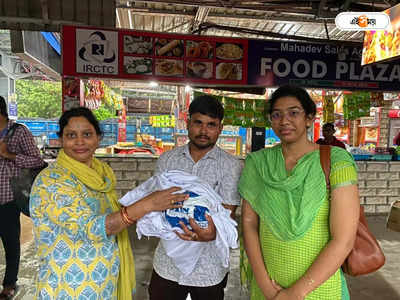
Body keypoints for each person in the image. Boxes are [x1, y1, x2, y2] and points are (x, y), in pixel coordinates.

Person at [30, 107, 188, 300]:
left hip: (104, 282)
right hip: (69, 286)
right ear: (61, 140)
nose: (79, 141)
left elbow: (112, 215)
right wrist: (147, 205)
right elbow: (92, 227)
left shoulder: (101, 173)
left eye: (87, 134)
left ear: (98, 138)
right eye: (71, 135)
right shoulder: (52, 181)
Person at [239, 85, 360, 300]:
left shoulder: (336, 161)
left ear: (309, 118)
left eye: (293, 113)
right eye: (277, 114)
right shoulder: (258, 163)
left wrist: (295, 293)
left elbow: (344, 240)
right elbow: (249, 224)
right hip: (268, 289)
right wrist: (266, 286)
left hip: (321, 289)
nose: (284, 121)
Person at [148, 94, 242, 300]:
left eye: (211, 125)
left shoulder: (231, 165)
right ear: (188, 123)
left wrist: (211, 230)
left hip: (208, 267)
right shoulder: (168, 160)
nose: (203, 130)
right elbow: (157, 203)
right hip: (168, 263)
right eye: (198, 122)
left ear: (220, 128)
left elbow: (226, 213)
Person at [0, 96, 44, 299]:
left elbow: (37, 161)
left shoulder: (18, 132)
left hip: (7, 198)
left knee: (10, 242)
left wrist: (9, 155)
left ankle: (9, 284)